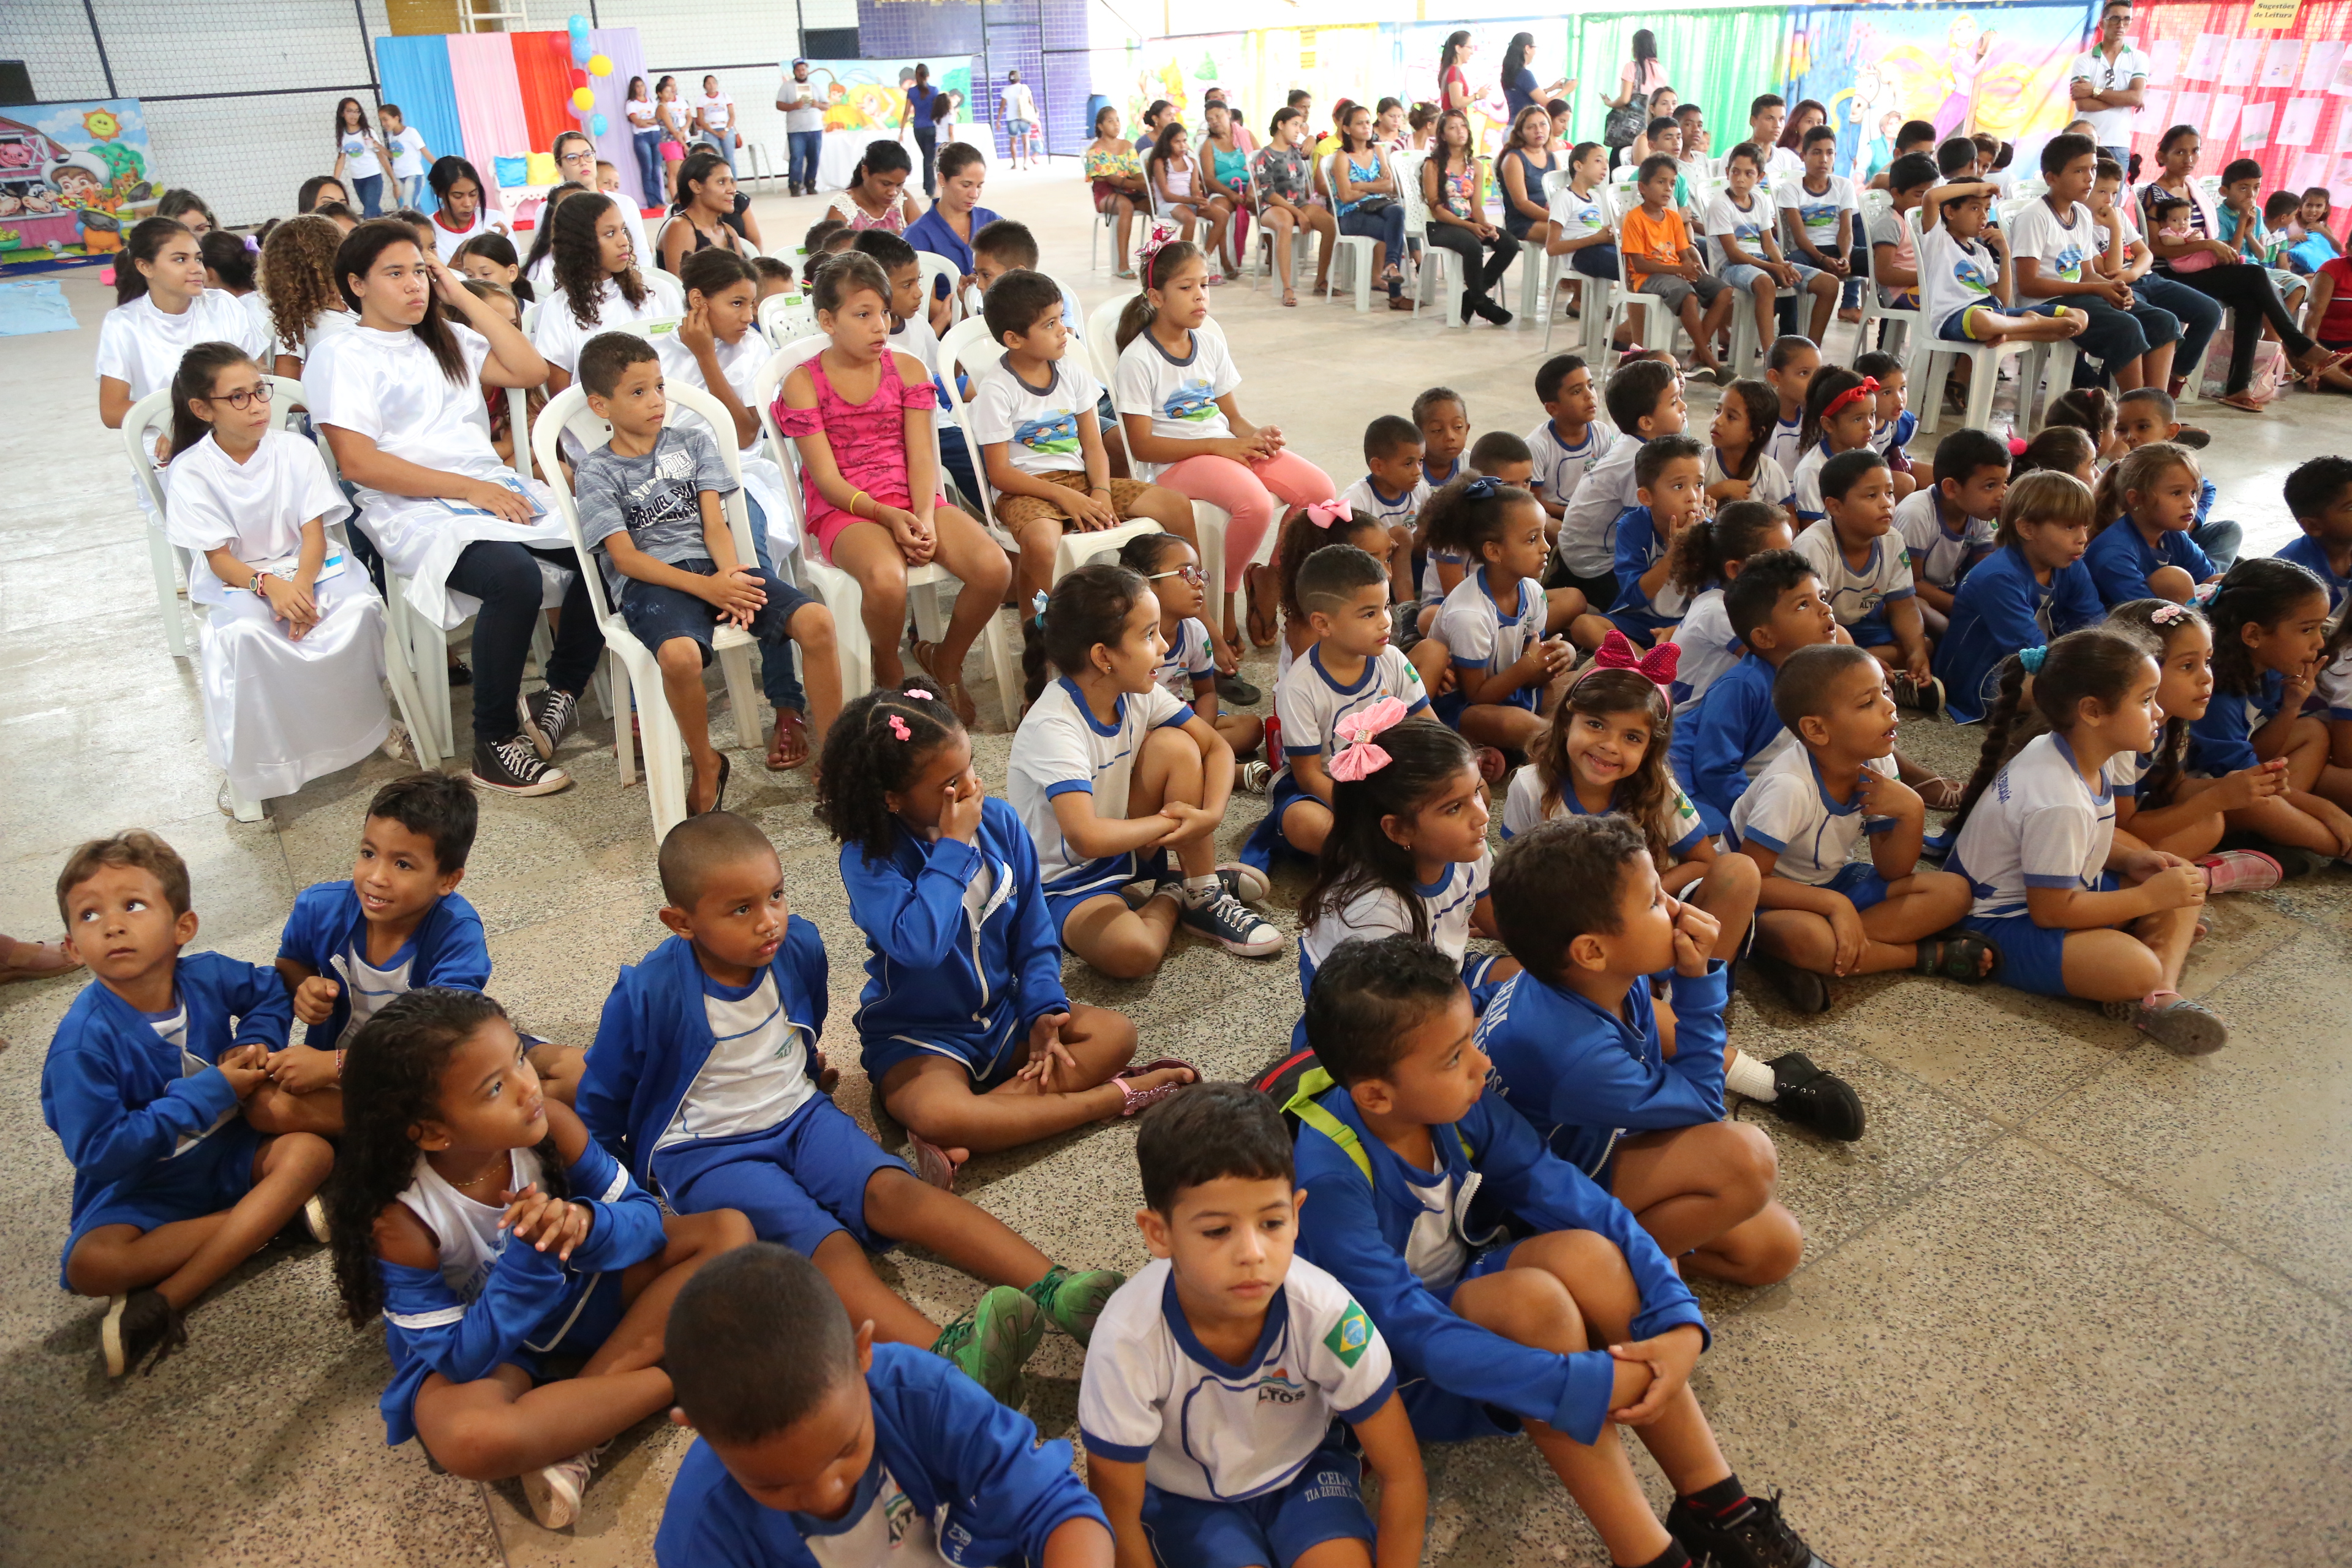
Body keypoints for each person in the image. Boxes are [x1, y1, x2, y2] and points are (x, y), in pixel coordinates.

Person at [1291, 933, 1831, 1568]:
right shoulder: (1329, 1179)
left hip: (1458, 1307)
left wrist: (1677, 1314)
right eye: (1454, 1057)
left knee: (1589, 1251)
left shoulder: (1452, 1105)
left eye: (1470, 1043)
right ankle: (1651, 1556)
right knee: (1535, 1303)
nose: (1482, 1066)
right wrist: (1579, 1379)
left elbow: (1573, 1195)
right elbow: (1409, 1331)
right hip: (1394, 1374)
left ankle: (1719, 1505)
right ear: (1377, 1095)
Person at [582, 811, 1129, 1404]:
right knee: (829, 1246)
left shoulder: (798, 945)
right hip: (711, 1154)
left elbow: (803, 1021)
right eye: (741, 909)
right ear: (680, 922)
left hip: (800, 1115)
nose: (769, 920)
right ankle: (947, 1361)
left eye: (775, 895)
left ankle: (1059, 1290)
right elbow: (601, 1102)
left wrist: (804, 1070)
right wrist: (618, 1194)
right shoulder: (646, 992)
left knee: (900, 1193)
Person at [325, 986, 750, 1528]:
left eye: (520, 1059)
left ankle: (581, 1419)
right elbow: (459, 1358)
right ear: (431, 1131)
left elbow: (645, 1219)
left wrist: (588, 1225)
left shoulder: (551, 1126)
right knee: (468, 1440)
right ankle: (677, 1379)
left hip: (579, 1293)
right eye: (495, 1087)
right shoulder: (401, 1219)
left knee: (727, 1232)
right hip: (493, 1347)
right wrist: (531, 1260)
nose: (528, 1089)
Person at [817, 676, 1189, 1182]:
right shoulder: (869, 860)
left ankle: (985, 1123)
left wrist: (1041, 1008)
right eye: (949, 784)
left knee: (1116, 1035)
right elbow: (920, 946)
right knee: (937, 1114)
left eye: (969, 764)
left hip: (1003, 1017)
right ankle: (1108, 1099)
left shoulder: (1001, 823)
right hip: (919, 1037)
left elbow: (1035, 933)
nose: (971, 786)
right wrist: (952, 846)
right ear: (892, 800)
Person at [1080, 1084, 1426, 1568]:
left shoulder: (1325, 1312)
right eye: (1218, 1230)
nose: (1252, 1254)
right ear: (1159, 1233)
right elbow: (1118, 1517)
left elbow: (1403, 1476)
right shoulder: (1126, 1338)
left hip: (1304, 1471)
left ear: (1297, 1214)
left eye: (1272, 1223)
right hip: (1185, 1498)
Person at [307, 221, 597, 796]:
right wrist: (467, 490)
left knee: (605, 544)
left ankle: (557, 694)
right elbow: (359, 463)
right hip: (410, 507)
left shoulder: (446, 337)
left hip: (489, 488)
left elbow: (530, 370)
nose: (414, 285)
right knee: (513, 579)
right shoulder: (341, 354)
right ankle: (491, 745)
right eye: (396, 274)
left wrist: (459, 294)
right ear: (356, 285)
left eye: (420, 271)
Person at [42, 831, 334, 1379]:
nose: (112, 924)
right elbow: (101, 1153)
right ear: (73, 947)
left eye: (132, 905)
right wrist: (213, 1091)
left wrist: (257, 1040)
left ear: (183, 927)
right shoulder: (81, 1045)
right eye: (88, 916)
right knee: (90, 1265)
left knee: (309, 1153)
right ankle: (273, 1220)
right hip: (146, 1185)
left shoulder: (208, 974)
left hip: (229, 1152)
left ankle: (169, 1296)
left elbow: (271, 990)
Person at [657, 1243, 1114, 1566]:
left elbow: (1055, 1507)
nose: (827, 1495)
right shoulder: (702, 1530)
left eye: (843, 1452)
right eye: (774, 1486)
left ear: (862, 1354)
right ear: (697, 1426)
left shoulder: (919, 1392)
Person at [570, 332, 824, 815]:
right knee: (681, 658)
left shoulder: (693, 441)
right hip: (655, 582)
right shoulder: (596, 471)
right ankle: (706, 761)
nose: (657, 401)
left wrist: (730, 578)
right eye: (639, 392)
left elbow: (715, 524)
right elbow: (624, 559)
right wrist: (708, 588)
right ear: (600, 406)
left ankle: (835, 761)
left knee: (817, 623)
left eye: (660, 386)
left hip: (714, 567)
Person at [1940, 629, 2223, 1048]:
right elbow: (2051, 912)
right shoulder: (2060, 801)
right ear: (2092, 711)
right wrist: (2146, 901)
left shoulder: (2068, 750)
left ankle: (2159, 992)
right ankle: (2154, 981)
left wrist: (2129, 864)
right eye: (2146, 700)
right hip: (1996, 925)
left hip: (2054, 894)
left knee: (2182, 880)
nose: (2159, 713)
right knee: (2135, 965)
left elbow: (2080, 843)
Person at [1011, 562, 1283, 971]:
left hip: (1124, 846)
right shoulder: (1055, 726)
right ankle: (1175, 892)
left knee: (1177, 744)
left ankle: (1202, 889)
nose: (1162, 649)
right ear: (1104, 656)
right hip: (1063, 884)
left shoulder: (1138, 690)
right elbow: (1085, 837)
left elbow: (1217, 749)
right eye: (1149, 635)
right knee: (1133, 954)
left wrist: (1209, 816)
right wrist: (1172, 823)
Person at [160, 341, 391, 810]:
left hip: (308, 569)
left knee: (360, 609)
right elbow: (219, 559)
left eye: (260, 391)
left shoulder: (294, 449)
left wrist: (300, 588)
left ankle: (368, 724)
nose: (258, 406)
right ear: (203, 409)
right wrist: (272, 589)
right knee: (248, 635)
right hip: (240, 580)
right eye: (238, 397)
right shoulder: (192, 471)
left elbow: (314, 534)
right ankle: (262, 761)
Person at [772, 252, 1006, 714]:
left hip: (913, 497)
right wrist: (885, 514)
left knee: (994, 568)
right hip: (846, 508)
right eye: (862, 315)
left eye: (883, 312)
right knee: (886, 579)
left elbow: (923, 457)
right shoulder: (804, 383)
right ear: (827, 320)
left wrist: (923, 516)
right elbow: (825, 479)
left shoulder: (909, 370)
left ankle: (946, 661)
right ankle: (890, 671)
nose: (880, 326)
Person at [1728, 643, 1989, 1011]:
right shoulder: (1790, 786)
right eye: (1868, 703)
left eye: (1885, 691)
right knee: (1812, 940)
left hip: (1835, 883)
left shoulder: (1877, 761)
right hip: (1768, 902)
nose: (1890, 705)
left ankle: (1831, 957)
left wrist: (1912, 810)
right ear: (1817, 730)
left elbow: (1892, 869)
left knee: (1955, 892)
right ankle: (1922, 955)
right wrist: (1835, 905)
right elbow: (1752, 882)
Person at [1114, 240, 1336, 650]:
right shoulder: (1139, 359)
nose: (1200, 295)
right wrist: (1219, 447)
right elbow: (1142, 446)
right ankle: (1225, 598)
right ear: (1156, 297)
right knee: (1254, 502)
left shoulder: (1210, 343)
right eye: (1186, 288)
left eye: (1204, 284)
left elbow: (1233, 419)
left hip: (1220, 451)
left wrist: (1256, 436)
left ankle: (1271, 577)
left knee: (1318, 491)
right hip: (1174, 466)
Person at [968, 270, 1194, 608]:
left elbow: (1093, 445)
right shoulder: (996, 389)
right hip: (1026, 490)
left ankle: (1189, 609)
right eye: (1049, 325)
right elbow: (999, 474)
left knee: (1175, 506)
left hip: (1083, 483)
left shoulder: (1071, 370)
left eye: (1060, 318)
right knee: (1042, 543)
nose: (1063, 330)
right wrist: (1065, 497)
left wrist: (1101, 489)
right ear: (1014, 339)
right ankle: (1038, 636)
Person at [1294, 715, 1515, 1035]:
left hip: (1438, 978)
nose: (1482, 816)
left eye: (1477, 792)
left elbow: (1497, 918)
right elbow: (1394, 1023)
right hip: (1369, 1021)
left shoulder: (1468, 852)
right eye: (1455, 807)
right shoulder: (1373, 911)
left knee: (1546, 978)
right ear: (1398, 829)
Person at [2139, 126, 2346, 410]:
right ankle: (2298, 345)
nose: (2189, 158)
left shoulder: (2194, 189)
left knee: (2252, 298)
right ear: (2162, 156)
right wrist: (2209, 246)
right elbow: (2156, 249)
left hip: (2200, 268)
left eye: (2195, 150)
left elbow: (2211, 240)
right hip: (2169, 273)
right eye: (2180, 152)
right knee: (2256, 273)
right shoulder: (2152, 194)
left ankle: (2238, 387)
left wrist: (2213, 247)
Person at [95, 217, 272, 503]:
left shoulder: (224, 305)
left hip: (239, 434)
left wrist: (200, 422)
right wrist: (173, 422)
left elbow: (259, 378)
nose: (196, 269)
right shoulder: (123, 325)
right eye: (180, 260)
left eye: (198, 259)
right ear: (145, 267)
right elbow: (112, 409)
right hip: (170, 452)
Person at [2185, 559, 2352, 856]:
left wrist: (2291, 707)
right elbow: (2244, 778)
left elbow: (2262, 759)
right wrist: (2326, 809)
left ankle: (2281, 835)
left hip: (2244, 779)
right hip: (2201, 793)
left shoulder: (2270, 668)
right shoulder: (2216, 694)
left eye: (2320, 627)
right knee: (2261, 806)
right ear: (2253, 635)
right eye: (2307, 630)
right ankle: (2329, 844)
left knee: (2312, 731)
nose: (2319, 642)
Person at [1672, 551, 1838, 833]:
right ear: (1764, 637)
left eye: (1822, 598)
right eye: (1803, 605)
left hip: (1750, 781)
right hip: (1688, 782)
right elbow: (1715, 768)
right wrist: (1754, 813)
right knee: (1723, 849)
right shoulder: (1743, 685)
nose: (1826, 610)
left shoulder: (1822, 677)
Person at [1934, 472, 2105, 724]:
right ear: (2027, 529)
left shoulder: (2071, 564)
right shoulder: (1998, 577)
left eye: (2085, 526)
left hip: (2039, 660)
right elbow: (2031, 651)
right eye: (2070, 527)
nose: (2082, 538)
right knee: (2055, 693)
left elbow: (2094, 623)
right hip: (1981, 676)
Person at [1555, 358, 1686, 612]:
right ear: (1646, 423)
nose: (1684, 406)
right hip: (1593, 567)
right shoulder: (1636, 462)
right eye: (1673, 402)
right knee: (1661, 601)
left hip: (1585, 553)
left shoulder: (1639, 444)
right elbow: (1642, 530)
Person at [531, 191, 674, 394]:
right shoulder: (558, 309)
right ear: (580, 243)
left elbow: (668, 366)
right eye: (610, 233)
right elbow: (560, 398)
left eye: (623, 230)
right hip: (590, 421)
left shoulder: (643, 296)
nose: (624, 241)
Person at [1623, 155, 1734, 383]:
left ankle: (1696, 354)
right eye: (1661, 182)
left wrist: (1690, 267)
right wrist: (1680, 271)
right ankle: (1710, 360)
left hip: (1674, 273)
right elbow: (1639, 264)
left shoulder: (1673, 218)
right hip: (1647, 277)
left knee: (1723, 291)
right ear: (1643, 188)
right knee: (1688, 295)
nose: (1668, 188)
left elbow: (1683, 253)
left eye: (1672, 183)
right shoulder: (1634, 219)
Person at [1897, 426, 2008, 639]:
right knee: (1952, 630)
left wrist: (2007, 525)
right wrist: (1965, 608)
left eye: (2004, 483)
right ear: (1951, 488)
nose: (2002, 495)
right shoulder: (1917, 513)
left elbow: (1987, 572)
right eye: (1990, 486)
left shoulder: (1981, 512)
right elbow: (1910, 584)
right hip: (1909, 596)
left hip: (1949, 592)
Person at [1605, 437, 1712, 649]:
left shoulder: (1710, 532)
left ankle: (1643, 659)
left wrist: (1677, 630)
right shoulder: (1631, 527)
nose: (1693, 497)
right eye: (1679, 486)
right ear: (1646, 497)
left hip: (1684, 625)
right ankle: (1645, 663)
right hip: (1637, 621)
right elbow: (1635, 597)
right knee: (1585, 625)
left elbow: (1711, 603)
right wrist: (1676, 551)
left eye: (1699, 484)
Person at [2083, 443, 2220, 608]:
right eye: (2177, 493)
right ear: (2136, 499)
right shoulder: (2113, 554)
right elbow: (2147, 616)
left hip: (2167, 619)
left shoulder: (2174, 535)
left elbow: (2208, 580)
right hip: (2132, 627)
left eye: (2193, 492)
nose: (2191, 503)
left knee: (2236, 582)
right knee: (2173, 579)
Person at [1422, 108, 1516, 326]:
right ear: (1443, 135)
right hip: (1441, 225)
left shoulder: (1476, 165)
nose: (1460, 131)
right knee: (1473, 245)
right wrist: (1469, 227)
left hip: (1468, 222)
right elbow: (1436, 208)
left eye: (1463, 126)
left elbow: (1476, 206)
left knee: (1509, 243)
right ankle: (1482, 303)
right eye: (1453, 128)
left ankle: (1472, 297)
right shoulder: (1433, 165)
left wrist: (1484, 225)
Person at [1253, 106, 1336, 305]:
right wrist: (1298, 213)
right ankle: (1287, 287)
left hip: (1299, 204)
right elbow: (1269, 193)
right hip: (1272, 206)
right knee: (1285, 224)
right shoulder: (1265, 156)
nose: (1298, 130)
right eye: (1294, 125)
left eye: (1300, 125)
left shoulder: (1297, 150)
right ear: (1280, 125)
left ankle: (1321, 280)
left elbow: (1315, 144)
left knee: (1331, 225)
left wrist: (1312, 138)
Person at [907, 141, 1000, 309]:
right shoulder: (917, 235)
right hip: (946, 327)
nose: (974, 194)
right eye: (966, 185)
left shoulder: (993, 222)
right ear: (942, 179)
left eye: (979, 186)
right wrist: (964, 314)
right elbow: (921, 300)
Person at [1525, 353, 1612, 530]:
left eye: (1591, 386)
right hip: (1558, 517)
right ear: (1553, 408)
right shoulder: (1537, 445)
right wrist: (1575, 513)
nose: (1590, 396)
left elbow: (1609, 482)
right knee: (1548, 527)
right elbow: (1534, 501)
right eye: (1577, 391)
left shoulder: (1602, 433)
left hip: (1592, 512)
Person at [1787, 367, 1880, 526]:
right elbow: (1811, 528)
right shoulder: (1813, 469)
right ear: (1829, 425)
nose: (1869, 425)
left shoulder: (1868, 452)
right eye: (1858, 419)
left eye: (1872, 414)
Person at [552, 127, 651, 265]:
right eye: (573, 158)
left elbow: (642, 254)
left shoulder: (625, 203)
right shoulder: (549, 209)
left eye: (588, 155)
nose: (583, 162)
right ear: (559, 167)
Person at [2070, 1, 2147, 168]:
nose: (2121, 25)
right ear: (2102, 23)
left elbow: (2135, 97)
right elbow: (2083, 104)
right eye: (2115, 19)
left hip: (2118, 143)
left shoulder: (2138, 58)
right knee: (2080, 194)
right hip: (2084, 142)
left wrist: (2093, 91)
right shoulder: (2083, 59)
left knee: (2113, 195)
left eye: (2127, 19)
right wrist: (2123, 98)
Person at [1701, 377, 1794, 516]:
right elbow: (1684, 505)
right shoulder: (1702, 462)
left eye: (1731, 417)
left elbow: (1789, 516)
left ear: (1756, 433)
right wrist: (1721, 490)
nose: (1718, 420)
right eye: (1718, 410)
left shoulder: (1768, 471)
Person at [654, 149, 748, 280]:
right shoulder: (680, 228)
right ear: (696, 187)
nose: (732, 190)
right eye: (722, 182)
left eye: (731, 182)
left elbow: (743, 280)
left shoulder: (728, 231)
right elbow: (682, 288)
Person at [1086, 106, 1148, 279]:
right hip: (1106, 193)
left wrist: (1143, 183)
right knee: (1125, 206)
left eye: (1118, 120)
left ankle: (1161, 258)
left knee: (1156, 205)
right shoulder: (1095, 150)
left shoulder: (1128, 145)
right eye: (1110, 121)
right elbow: (1110, 179)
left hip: (1132, 189)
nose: (1116, 125)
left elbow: (1136, 171)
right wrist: (1140, 185)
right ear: (1100, 126)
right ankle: (1123, 264)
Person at [1600, 28, 1668, 167]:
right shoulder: (1661, 70)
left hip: (1629, 130)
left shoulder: (1632, 67)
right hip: (1650, 128)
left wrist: (1610, 103)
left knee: (1618, 163)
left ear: (1636, 47)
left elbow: (1625, 99)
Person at [772, 62, 823, 198]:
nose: (802, 72)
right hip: (796, 130)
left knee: (814, 158)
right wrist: (794, 106)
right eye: (799, 70)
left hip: (815, 129)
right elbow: (779, 105)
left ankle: (811, 184)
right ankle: (795, 186)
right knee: (796, 158)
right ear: (795, 72)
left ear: (807, 71)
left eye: (804, 70)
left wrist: (817, 104)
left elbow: (827, 105)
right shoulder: (787, 87)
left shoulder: (815, 86)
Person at [331, 97, 389, 216]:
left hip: (373, 177)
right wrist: (334, 181)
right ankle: (390, 230)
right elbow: (341, 160)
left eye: (357, 111)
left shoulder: (368, 132)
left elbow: (381, 156)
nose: (354, 115)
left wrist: (394, 181)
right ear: (342, 113)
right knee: (375, 211)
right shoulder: (343, 135)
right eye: (350, 111)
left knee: (368, 212)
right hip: (357, 179)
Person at [379, 104, 432, 211]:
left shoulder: (411, 132)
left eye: (386, 120)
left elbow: (425, 153)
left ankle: (422, 227)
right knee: (413, 207)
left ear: (396, 118)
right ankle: (423, 226)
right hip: (400, 176)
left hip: (413, 175)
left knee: (409, 206)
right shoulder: (391, 136)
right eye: (381, 120)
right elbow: (394, 156)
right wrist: (378, 146)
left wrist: (441, 166)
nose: (383, 124)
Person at [625, 75, 665, 202]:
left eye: (642, 85)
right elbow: (638, 122)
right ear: (634, 89)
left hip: (657, 136)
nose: (640, 89)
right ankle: (652, 201)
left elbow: (660, 119)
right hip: (642, 137)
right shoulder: (631, 104)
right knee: (647, 168)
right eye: (637, 86)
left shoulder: (653, 102)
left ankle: (660, 199)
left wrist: (647, 121)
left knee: (656, 169)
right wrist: (652, 121)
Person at [687, 74, 736, 175]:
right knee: (711, 159)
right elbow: (701, 119)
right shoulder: (702, 99)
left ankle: (733, 182)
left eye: (714, 83)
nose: (712, 86)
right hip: (710, 131)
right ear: (704, 86)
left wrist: (726, 130)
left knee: (729, 158)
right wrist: (714, 132)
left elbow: (732, 116)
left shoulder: (725, 96)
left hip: (725, 129)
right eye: (708, 83)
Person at [999, 69, 1038, 169]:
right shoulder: (1024, 88)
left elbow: (1002, 106)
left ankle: (1015, 163)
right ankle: (1025, 163)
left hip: (1011, 117)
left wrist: (998, 120)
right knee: (1026, 141)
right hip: (1024, 117)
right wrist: (1033, 115)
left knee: (1013, 142)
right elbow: (1031, 103)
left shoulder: (1006, 90)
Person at [1438, 30, 1475, 116]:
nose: (1472, 52)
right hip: (1454, 123)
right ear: (1458, 49)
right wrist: (1477, 96)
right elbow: (1457, 103)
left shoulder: (1449, 70)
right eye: (1470, 48)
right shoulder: (1454, 72)